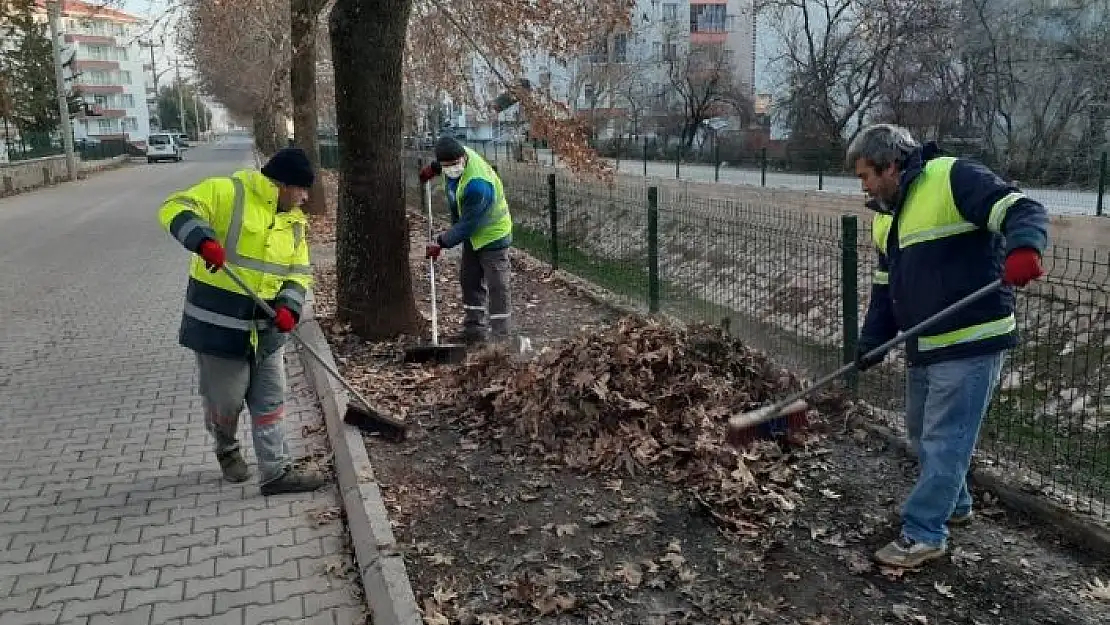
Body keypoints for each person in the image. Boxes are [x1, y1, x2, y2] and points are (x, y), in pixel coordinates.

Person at [849, 124, 1048, 568]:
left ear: (891, 166)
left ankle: (923, 531)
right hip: (925, 343)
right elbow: (887, 287)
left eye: (865, 175)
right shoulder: (886, 215)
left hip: (972, 340)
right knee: (921, 434)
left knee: (944, 440)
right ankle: (955, 506)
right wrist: (872, 340)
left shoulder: (953, 178)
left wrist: (1025, 248)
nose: (862, 185)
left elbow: (1022, 209)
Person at [158, 147, 327, 496]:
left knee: (270, 401)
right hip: (220, 328)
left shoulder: (295, 224)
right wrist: (202, 240)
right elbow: (174, 206)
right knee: (227, 403)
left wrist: (289, 308)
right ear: (283, 185)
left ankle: (276, 471)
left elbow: (299, 273)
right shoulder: (228, 192)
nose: (306, 197)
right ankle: (227, 448)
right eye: (302, 189)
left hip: (265, 331)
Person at [419, 136, 514, 344]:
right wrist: (433, 169)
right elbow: (444, 163)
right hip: (473, 237)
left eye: (455, 164)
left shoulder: (477, 185)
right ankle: (474, 330)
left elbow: (469, 223)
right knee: (469, 280)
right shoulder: (452, 161)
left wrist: (441, 242)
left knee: (497, 285)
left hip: (493, 235)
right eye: (447, 166)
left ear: (462, 157)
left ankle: (501, 339)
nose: (453, 168)